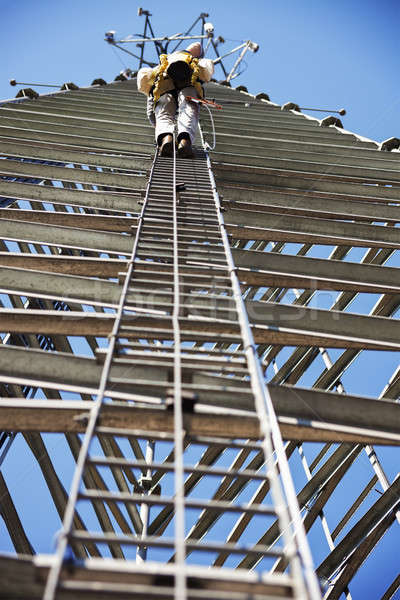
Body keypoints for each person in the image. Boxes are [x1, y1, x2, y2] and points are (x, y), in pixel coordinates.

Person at [137, 43, 214, 158]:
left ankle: (166, 139)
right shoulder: (193, 63)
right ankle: (184, 141)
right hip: (188, 83)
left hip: (163, 86)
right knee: (188, 110)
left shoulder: (163, 64)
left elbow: (151, 101)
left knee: (163, 113)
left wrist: (154, 118)